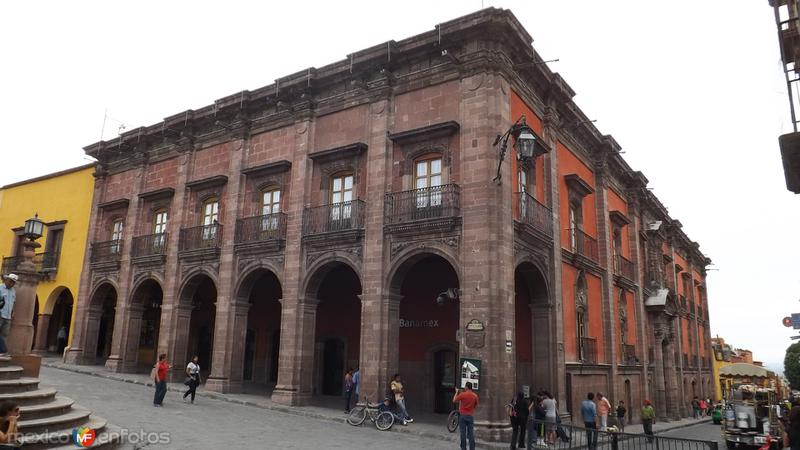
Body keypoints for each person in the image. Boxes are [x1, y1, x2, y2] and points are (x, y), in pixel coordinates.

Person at [453, 382, 479, 450]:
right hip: (470, 416)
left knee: (463, 433)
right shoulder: (475, 396)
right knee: (471, 434)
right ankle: (472, 448)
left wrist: (456, 392)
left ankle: (463, 448)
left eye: (465, 386)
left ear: (467, 387)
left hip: (463, 416)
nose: (464, 387)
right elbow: (475, 405)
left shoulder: (462, 394)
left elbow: (454, 400)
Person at [0, 275, 18, 356]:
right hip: (0, 314)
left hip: (8, 316)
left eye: (13, 282)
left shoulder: (13, 291)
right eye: (11, 281)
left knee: (5, 334)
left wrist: (13, 311)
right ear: (6, 280)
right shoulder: (0, 288)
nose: (12, 284)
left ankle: (1, 352)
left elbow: (13, 302)